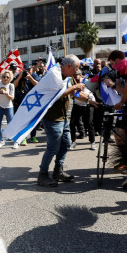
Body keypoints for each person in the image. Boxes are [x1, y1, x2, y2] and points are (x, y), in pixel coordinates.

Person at [36, 55, 85, 187]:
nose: (77, 71)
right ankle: (43, 175)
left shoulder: (69, 77)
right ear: (69, 66)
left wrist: (91, 100)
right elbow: (56, 95)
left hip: (63, 118)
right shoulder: (54, 75)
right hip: (52, 118)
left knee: (66, 143)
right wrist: (75, 88)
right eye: (76, 68)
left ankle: (58, 171)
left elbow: (76, 93)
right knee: (53, 148)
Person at [69, 72, 98, 151]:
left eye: (76, 75)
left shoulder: (86, 82)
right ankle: (73, 141)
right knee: (72, 123)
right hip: (77, 105)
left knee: (89, 123)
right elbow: (75, 94)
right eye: (73, 76)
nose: (75, 77)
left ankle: (92, 142)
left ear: (80, 75)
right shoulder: (72, 83)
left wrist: (78, 89)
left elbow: (82, 94)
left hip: (88, 105)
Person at [0, 69, 15, 148]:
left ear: (10, 78)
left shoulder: (11, 85)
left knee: (11, 125)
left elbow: (12, 98)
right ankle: (1, 140)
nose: (5, 78)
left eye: (7, 77)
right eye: (4, 76)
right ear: (1, 77)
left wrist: (6, 94)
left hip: (9, 107)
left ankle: (14, 140)